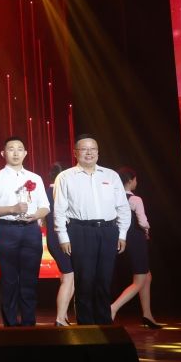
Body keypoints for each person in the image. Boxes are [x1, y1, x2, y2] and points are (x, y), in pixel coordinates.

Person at [52, 134, 130, 325]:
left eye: (93, 149)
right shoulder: (65, 176)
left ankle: (105, 325)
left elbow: (123, 207)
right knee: (84, 281)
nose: (89, 153)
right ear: (75, 153)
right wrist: (63, 237)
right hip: (80, 231)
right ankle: (85, 327)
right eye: (84, 149)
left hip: (108, 231)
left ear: (98, 152)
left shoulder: (111, 175)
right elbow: (59, 210)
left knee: (104, 279)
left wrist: (122, 234)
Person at [0, 137, 50, 327]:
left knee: (30, 280)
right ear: (3, 153)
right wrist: (12, 209)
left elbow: (45, 207)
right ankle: (10, 325)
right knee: (9, 280)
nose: (16, 152)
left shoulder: (35, 178)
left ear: (26, 153)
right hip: (7, 230)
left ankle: (29, 324)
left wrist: (35, 215)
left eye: (20, 149)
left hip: (31, 231)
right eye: (11, 149)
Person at [110, 167, 161, 328]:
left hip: (121, 239)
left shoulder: (113, 198)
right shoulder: (135, 199)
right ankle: (113, 308)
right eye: (135, 179)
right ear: (130, 181)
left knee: (147, 276)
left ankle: (147, 315)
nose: (136, 182)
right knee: (139, 279)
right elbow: (143, 222)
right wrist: (148, 228)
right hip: (136, 239)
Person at [45, 163, 75, 326]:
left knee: (68, 276)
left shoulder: (45, 192)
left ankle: (63, 316)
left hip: (52, 239)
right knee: (69, 277)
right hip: (63, 240)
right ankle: (60, 318)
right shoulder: (62, 192)